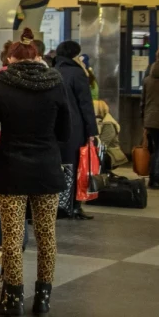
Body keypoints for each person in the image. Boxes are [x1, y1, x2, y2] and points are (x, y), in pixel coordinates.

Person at [0, 29, 71, 317]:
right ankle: (43, 299)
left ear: (11, 58)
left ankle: (13, 299)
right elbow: (65, 131)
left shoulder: (2, 83)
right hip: (46, 168)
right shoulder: (56, 82)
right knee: (47, 236)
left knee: (12, 238)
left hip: (11, 169)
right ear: (38, 56)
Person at [54, 41, 98, 220]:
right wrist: (92, 131)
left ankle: (58, 204)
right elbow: (85, 104)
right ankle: (72, 206)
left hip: (54, 127)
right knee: (74, 164)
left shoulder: (52, 71)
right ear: (75, 56)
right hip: (74, 128)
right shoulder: (77, 73)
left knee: (59, 165)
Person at [143, 48, 159, 188]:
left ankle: (153, 176)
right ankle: (155, 178)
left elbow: (142, 102)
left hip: (151, 119)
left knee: (157, 148)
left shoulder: (148, 79)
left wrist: (144, 120)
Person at [93, 100, 127, 172]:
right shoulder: (101, 121)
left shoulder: (108, 124)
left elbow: (102, 144)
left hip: (111, 155)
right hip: (105, 152)